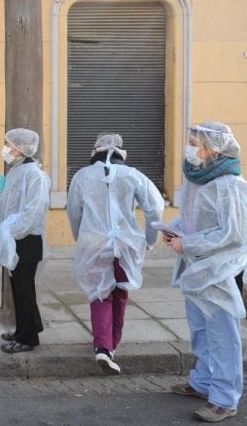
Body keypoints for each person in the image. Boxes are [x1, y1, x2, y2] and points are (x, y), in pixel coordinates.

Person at [164, 122, 247, 423]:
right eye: (190, 141)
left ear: (215, 149)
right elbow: (192, 220)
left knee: (223, 334)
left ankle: (224, 398)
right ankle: (203, 383)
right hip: (196, 267)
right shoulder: (195, 180)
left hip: (220, 269)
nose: (190, 147)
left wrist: (189, 243)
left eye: (196, 142)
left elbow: (231, 235)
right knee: (200, 330)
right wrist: (175, 231)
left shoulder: (228, 185)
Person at [67, 132, 163, 375]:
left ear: (95, 150)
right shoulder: (133, 176)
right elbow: (155, 208)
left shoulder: (82, 176)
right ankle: (112, 343)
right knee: (120, 291)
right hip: (126, 243)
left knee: (100, 293)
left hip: (94, 242)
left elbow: (74, 212)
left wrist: (82, 237)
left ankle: (103, 346)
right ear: (121, 152)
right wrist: (150, 240)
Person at [0, 128, 50, 353]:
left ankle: (28, 338)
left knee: (24, 288)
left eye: (9, 144)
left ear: (21, 148)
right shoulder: (16, 170)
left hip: (26, 239)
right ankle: (26, 328)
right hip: (15, 237)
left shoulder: (34, 174)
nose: (6, 148)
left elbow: (32, 211)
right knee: (18, 287)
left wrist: (12, 232)